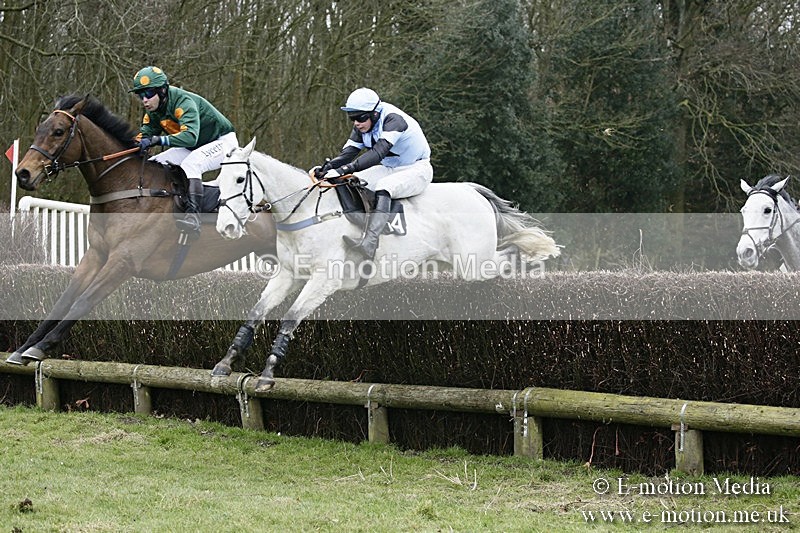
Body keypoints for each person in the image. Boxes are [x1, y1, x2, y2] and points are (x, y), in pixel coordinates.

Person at [314, 87, 433, 259]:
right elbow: (348, 153)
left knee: (384, 186)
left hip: (416, 169)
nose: (356, 122)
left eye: (360, 117)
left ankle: (370, 241)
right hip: (389, 168)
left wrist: (344, 169)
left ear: (375, 113)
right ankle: (355, 226)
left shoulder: (394, 120)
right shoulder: (361, 126)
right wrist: (327, 168)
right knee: (347, 181)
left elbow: (378, 153)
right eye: (352, 118)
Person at [130, 66, 238, 234]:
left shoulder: (183, 102)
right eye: (141, 95)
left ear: (163, 90)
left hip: (222, 141)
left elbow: (190, 137)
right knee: (154, 163)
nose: (145, 100)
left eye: (149, 93)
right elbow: (144, 136)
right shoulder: (152, 111)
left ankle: (193, 217)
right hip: (193, 147)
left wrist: (158, 140)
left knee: (191, 164)